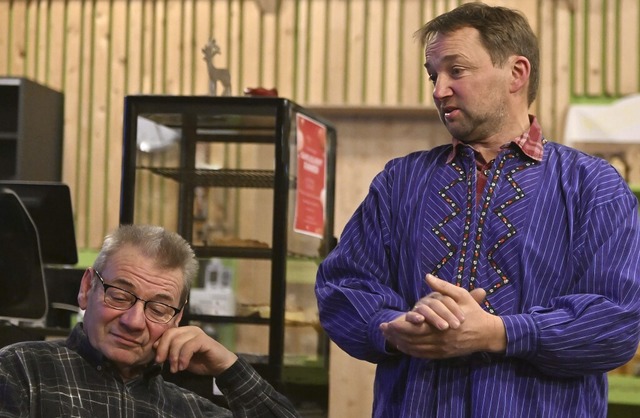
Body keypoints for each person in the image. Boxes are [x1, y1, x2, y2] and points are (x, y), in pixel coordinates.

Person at [315, 2, 640, 417]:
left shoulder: (592, 185)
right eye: (433, 75)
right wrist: (393, 329)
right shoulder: (400, 181)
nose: (438, 90)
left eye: (456, 70)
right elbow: (343, 286)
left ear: (516, 74)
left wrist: (499, 333)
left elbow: (615, 324)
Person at [0, 224, 300, 417]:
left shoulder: (190, 410)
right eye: (119, 295)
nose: (134, 321)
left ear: (177, 319)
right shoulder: (21, 371)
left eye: (158, 308)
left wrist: (229, 369)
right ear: (87, 288)